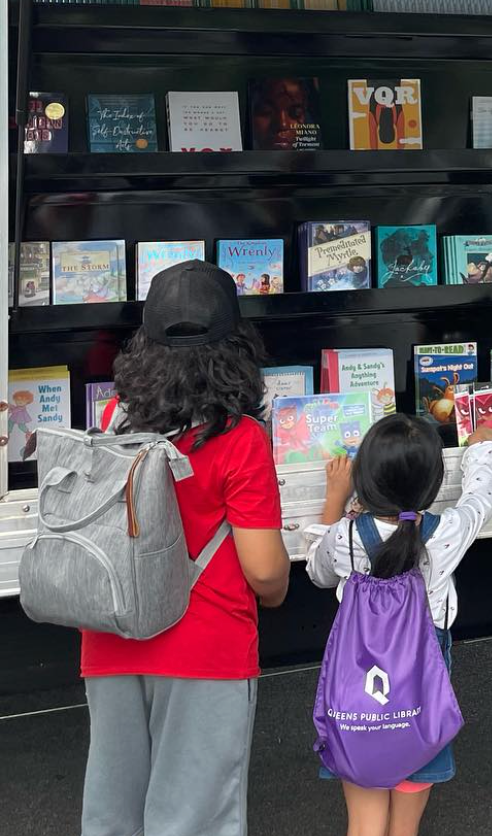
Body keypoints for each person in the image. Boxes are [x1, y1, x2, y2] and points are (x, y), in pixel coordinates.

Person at [79, 261, 290, 836]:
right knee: (193, 819)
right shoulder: (240, 440)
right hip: (207, 649)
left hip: (113, 636)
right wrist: (278, 587)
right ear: (238, 348)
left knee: (112, 815)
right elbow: (265, 571)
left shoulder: (112, 418)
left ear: (144, 344)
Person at [304, 414, 492, 836]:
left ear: (365, 478)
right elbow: (480, 499)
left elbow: (318, 574)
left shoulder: (346, 537)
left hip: (358, 689)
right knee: (405, 828)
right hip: (421, 689)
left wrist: (334, 500)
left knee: (363, 825)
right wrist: (482, 447)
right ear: (433, 484)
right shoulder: (446, 532)